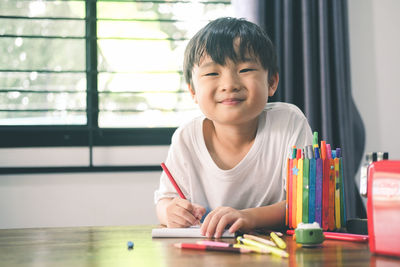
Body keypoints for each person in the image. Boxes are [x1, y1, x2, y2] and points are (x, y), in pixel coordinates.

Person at [154, 17, 312, 238]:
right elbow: (165, 201)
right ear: (192, 92)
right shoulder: (186, 137)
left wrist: (249, 217)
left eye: (245, 69)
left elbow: (306, 203)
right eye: (212, 73)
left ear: (272, 82)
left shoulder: (289, 122)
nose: (229, 85)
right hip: (208, 251)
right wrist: (170, 211)